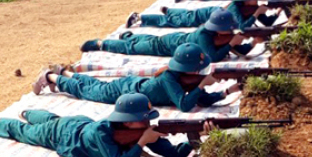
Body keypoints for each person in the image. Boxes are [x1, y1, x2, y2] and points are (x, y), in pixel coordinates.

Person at [0, 93, 194, 157]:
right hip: (62, 135)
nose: (148, 122)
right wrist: (142, 143)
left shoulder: (138, 131)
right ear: (126, 123)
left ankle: (28, 111)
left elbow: (174, 154)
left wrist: (194, 139)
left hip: (79, 122)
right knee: (27, 132)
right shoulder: (103, 133)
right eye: (142, 119)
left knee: (50, 118)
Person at [32, 44, 240, 112]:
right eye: (198, 71)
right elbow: (185, 105)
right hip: (126, 92)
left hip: (132, 87)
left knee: (93, 84)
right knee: (86, 91)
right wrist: (203, 83)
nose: (200, 74)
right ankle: (50, 76)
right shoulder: (170, 78)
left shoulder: (185, 78)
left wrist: (231, 90)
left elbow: (201, 99)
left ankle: (63, 73)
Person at [89, 9, 262, 61]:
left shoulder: (224, 34)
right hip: (169, 45)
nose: (231, 31)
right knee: (134, 48)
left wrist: (254, 42)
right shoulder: (204, 35)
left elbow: (241, 50)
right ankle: (102, 44)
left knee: (147, 40)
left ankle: (127, 36)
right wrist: (231, 44)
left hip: (179, 39)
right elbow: (214, 57)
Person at [128, 0, 271, 30]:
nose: (256, 0)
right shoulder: (235, 7)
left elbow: (267, 23)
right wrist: (256, 14)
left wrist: (275, 13)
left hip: (211, 15)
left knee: (186, 15)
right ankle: (140, 17)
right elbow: (242, 27)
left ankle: (170, 10)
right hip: (208, 16)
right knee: (177, 21)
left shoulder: (250, 7)